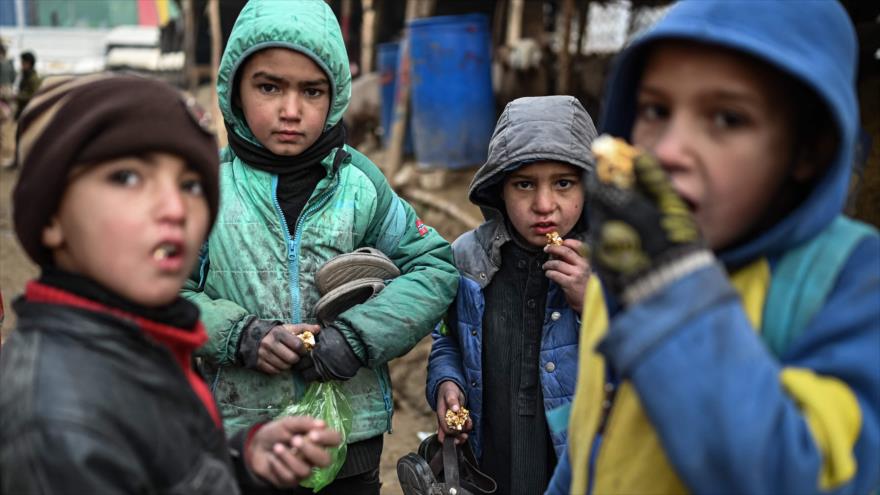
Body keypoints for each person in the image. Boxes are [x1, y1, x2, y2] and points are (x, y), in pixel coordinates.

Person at [546, 1, 880, 494]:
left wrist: (673, 295)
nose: (669, 150)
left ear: (808, 149)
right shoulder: (620, 270)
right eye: (656, 110)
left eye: (726, 118)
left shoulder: (847, 282)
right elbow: (588, 446)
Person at [0, 73, 341, 494]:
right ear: (51, 216)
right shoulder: (57, 421)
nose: (176, 208)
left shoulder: (148, 341)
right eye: (127, 177)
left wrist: (239, 464)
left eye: (191, 185)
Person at [180, 0, 459, 492]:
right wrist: (241, 336)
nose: (291, 111)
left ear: (336, 95)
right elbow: (163, 294)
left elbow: (434, 267)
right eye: (269, 86)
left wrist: (354, 338)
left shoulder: (359, 184)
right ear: (234, 91)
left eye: (312, 90)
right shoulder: (207, 188)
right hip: (242, 439)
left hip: (348, 440)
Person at [423, 96, 596, 494]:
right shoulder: (467, 257)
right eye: (524, 184)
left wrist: (593, 303)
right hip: (492, 463)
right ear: (498, 189)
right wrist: (448, 383)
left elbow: (644, 363)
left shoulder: (613, 264)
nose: (544, 205)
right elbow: (447, 337)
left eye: (564, 183)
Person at [14, 51, 39, 120]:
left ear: (29, 64)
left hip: (28, 112)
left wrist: (17, 96)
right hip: (22, 110)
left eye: (23, 63)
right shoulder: (24, 75)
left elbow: (34, 95)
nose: (21, 65)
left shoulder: (33, 78)